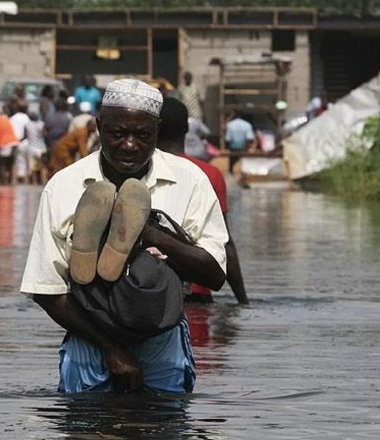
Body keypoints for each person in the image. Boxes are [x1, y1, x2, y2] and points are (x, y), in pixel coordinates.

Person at [21, 78, 229, 394]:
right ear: (99, 126)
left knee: (144, 423)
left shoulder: (190, 181)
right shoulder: (64, 186)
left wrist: (151, 235)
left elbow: (214, 275)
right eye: (118, 134)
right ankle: (101, 249)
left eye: (142, 135)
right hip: (92, 335)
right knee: (102, 425)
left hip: (161, 333)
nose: (130, 144)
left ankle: (138, 235)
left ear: (157, 131)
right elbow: (46, 290)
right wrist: (110, 349)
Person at [157, 97, 248, 305]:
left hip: (148, 291)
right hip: (197, 294)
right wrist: (243, 301)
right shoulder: (209, 174)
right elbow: (225, 243)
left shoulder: (139, 170)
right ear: (187, 129)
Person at [0, 106, 20, 185]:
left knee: (2, 163)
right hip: (15, 142)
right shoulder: (4, 117)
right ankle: (13, 182)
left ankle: (4, 182)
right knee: (12, 162)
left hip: (4, 143)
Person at [9, 102, 32, 183]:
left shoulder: (12, 118)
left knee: (17, 161)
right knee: (27, 161)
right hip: (25, 142)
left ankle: (16, 179)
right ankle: (27, 180)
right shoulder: (26, 117)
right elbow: (28, 131)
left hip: (15, 143)